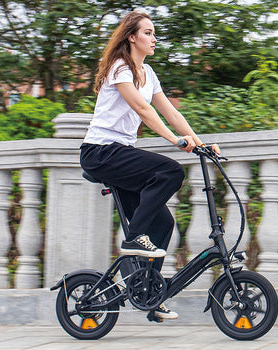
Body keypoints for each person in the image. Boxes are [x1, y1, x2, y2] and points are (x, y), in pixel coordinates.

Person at [80, 11, 205, 319]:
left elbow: (171, 114)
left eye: (154, 33)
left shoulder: (149, 73)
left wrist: (199, 143)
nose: (153, 38)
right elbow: (142, 108)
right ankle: (135, 237)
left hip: (119, 154)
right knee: (170, 171)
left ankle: (150, 294)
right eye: (148, 33)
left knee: (163, 223)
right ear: (132, 37)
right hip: (100, 152)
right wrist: (174, 141)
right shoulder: (120, 68)